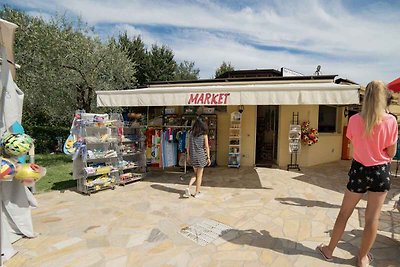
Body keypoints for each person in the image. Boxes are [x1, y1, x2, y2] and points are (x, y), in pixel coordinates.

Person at [317, 80, 398, 267]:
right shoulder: (391, 120)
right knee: (372, 218)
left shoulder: (354, 120)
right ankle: (362, 258)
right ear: (383, 98)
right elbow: (392, 153)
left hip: (359, 170)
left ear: (365, 97)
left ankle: (329, 250)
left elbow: (354, 146)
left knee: (344, 213)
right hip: (381, 172)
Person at [184, 117, 211, 198]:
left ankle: (188, 188)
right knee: (199, 176)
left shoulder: (191, 133)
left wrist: (188, 156)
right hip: (201, 156)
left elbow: (188, 146)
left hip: (193, 156)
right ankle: (197, 192)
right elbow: (206, 147)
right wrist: (208, 157)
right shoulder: (204, 135)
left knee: (195, 174)